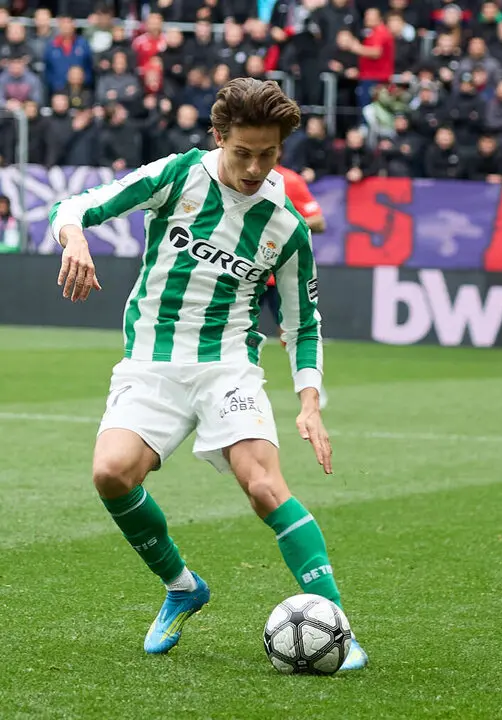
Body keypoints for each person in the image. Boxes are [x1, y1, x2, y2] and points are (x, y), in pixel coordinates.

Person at [49, 77, 367, 671]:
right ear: (218, 137)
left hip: (229, 368)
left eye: (267, 154)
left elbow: (303, 324)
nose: (252, 166)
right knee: (111, 474)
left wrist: (309, 402)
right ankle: (181, 586)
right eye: (241, 151)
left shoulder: (284, 226)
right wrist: (75, 239)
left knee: (266, 487)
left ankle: (338, 626)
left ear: (281, 150)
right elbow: (76, 205)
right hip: (151, 363)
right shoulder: (176, 175)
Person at [260, 164, 327, 343]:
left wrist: (284, 225)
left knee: (293, 335)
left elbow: (319, 222)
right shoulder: (229, 173)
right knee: (229, 333)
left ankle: (303, 369)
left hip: (279, 273)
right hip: (241, 271)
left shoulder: (289, 180)